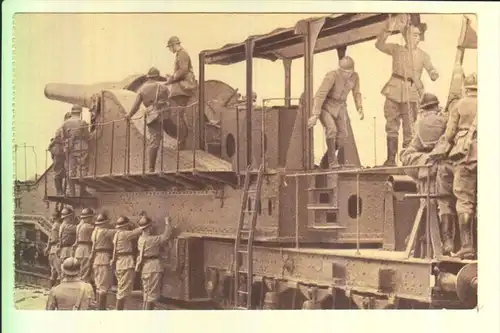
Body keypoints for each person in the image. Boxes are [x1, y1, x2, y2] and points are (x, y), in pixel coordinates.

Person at [376, 19, 439, 166]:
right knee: (391, 125)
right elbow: (379, 45)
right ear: (405, 36)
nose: (415, 38)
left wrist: (434, 73)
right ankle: (391, 160)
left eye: (418, 35)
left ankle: (407, 161)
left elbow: (431, 69)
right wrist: (386, 29)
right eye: (412, 35)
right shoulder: (396, 49)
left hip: (411, 94)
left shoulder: (424, 56)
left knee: (409, 129)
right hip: (393, 91)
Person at [400, 93, 456, 255]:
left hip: (429, 172)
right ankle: (447, 241)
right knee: (445, 203)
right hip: (447, 170)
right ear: (437, 106)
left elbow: (407, 155)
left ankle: (430, 241)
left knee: (429, 203)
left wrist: (425, 161)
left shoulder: (421, 123)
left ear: (423, 109)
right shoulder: (445, 120)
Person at [443, 73, 478, 259]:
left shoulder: (459, 105)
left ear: (466, 87)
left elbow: (449, 134)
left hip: (466, 156)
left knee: (464, 200)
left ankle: (467, 246)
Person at [307, 56, 364, 168]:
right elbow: (320, 95)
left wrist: (359, 107)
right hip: (326, 106)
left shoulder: (355, 77)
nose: (347, 75)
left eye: (350, 72)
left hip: (340, 106)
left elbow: (356, 92)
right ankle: (332, 162)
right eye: (345, 72)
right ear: (340, 70)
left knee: (343, 136)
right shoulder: (332, 76)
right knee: (331, 129)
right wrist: (315, 115)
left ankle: (325, 161)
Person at [125, 67, 170, 173]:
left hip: (152, 116)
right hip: (165, 115)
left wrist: (129, 116)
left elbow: (136, 106)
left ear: (148, 77)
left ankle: (151, 167)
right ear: (158, 77)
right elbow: (170, 101)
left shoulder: (142, 90)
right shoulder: (162, 87)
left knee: (154, 139)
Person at [165, 36, 198, 150]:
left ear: (174, 45)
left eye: (170, 47)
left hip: (181, 91)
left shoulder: (182, 54)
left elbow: (183, 70)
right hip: (181, 90)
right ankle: (182, 141)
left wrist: (171, 78)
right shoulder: (180, 54)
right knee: (178, 116)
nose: (170, 50)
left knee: (176, 116)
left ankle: (182, 142)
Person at [136, 215, 173, 310]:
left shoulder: (140, 239)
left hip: (145, 268)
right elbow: (166, 236)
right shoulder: (151, 240)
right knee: (151, 297)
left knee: (147, 294)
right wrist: (168, 223)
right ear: (148, 228)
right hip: (153, 267)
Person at [111, 216, 143, 310]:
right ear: (125, 226)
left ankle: (121, 308)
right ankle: (119, 310)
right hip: (126, 262)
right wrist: (142, 222)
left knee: (122, 287)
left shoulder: (117, 234)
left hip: (120, 262)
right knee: (123, 289)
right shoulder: (124, 234)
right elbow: (138, 231)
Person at [62, 105, 90, 196]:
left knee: (71, 171)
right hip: (81, 147)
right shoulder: (82, 122)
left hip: (70, 148)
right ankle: (82, 192)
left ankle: (72, 193)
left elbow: (63, 137)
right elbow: (87, 136)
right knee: (82, 170)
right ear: (80, 112)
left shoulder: (65, 123)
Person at [48, 113, 70, 196]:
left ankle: (63, 191)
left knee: (66, 172)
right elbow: (59, 139)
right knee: (58, 172)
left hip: (63, 151)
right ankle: (59, 192)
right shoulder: (62, 128)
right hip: (59, 151)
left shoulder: (65, 128)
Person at [72, 208, 95, 283]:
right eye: (91, 217)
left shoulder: (78, 226)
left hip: (79, 250)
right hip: (86, 250)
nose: (92, 219)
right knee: (85, 272)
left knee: (79, 271)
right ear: (88, 218)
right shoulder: (89, 227)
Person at [45, 211, 63, 287]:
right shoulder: (59, 225)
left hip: (53, 248)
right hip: (56, 248)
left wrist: (47, 247)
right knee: (59, 270)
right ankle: (57, 288)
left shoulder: (54, 226)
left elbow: (50, 238)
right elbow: (57, 238)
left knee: (53, 270)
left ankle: (51, 288)